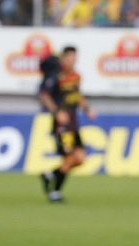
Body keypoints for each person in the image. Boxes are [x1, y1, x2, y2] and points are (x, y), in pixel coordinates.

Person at [38, 46, 96, 204]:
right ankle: (55, 192)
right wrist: (57, 112)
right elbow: (44, 96)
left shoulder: (76, 76)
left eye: (75, 58)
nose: (73, 61)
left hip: (74, 123)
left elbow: (78, 95)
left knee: (80, 158)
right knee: (72, 156)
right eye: (69, 58)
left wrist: (87, 109)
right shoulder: (55, 76)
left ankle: (50, 174)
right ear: (62, 58)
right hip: (61, 125)